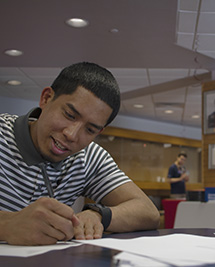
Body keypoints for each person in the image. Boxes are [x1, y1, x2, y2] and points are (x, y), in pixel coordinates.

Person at [0, 62, 160, 245]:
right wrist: (7, 224)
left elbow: (148, 212)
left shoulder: (90, 157)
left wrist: (99, 215)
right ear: (46, 98)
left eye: (90, 130)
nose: (71, 135)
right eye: (69, 115)